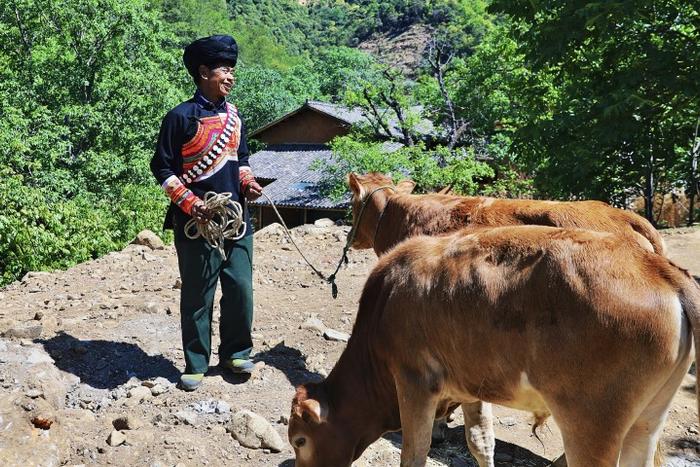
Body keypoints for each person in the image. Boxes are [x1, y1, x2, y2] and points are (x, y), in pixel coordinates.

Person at [150, 35, 263, 391]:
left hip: (236, 218)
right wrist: (191, 204)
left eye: (232, 70)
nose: (230, 76)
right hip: (196, 224)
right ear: (203, 72)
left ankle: (236, 353)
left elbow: (240, 160)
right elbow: (163, 169)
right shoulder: (179, 117)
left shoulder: (235, 117)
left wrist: (247, 182)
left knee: (240, 287)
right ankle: (196, 362)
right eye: (224, 70)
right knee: (199, 294)